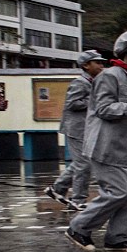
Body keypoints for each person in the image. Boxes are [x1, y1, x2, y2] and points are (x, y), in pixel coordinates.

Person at [66, 30, 127, 252]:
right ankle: (79, 227)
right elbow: (102, 108)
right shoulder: (109, 76)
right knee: (118, 192)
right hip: (106, 146)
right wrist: (125, 108)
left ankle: (116, 239)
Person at [46, 50, 109, 210]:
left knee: (81, 163)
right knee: (84, 165)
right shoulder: (80, 83)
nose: (102, 65)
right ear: (86, 65)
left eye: (102, 62)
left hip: (87, 130)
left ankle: (57, 188)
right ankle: (78, 200)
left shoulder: (94, 82)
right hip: (76, 129)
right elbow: (72, 103)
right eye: (98, 63)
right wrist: (94, 100)